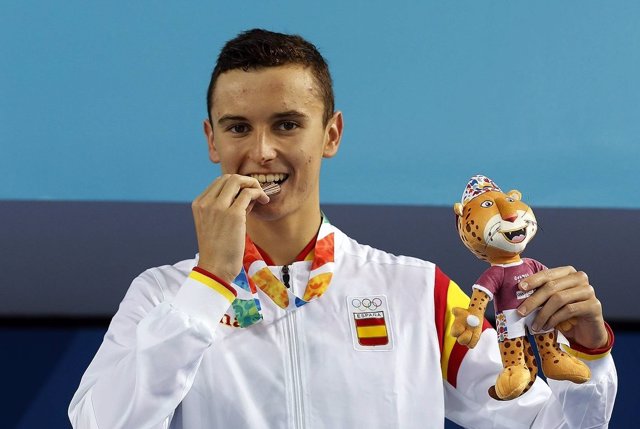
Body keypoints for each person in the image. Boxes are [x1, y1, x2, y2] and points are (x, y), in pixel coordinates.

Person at [69, 29, 617, 429]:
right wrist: (208, 283)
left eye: (287, 124)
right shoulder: (162, 297)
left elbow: (543, 426)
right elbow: (100, 424)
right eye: (239, 128)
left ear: (331, 134)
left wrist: (591, 358)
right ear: (212, 141)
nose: (261, 151)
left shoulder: (415, 292)